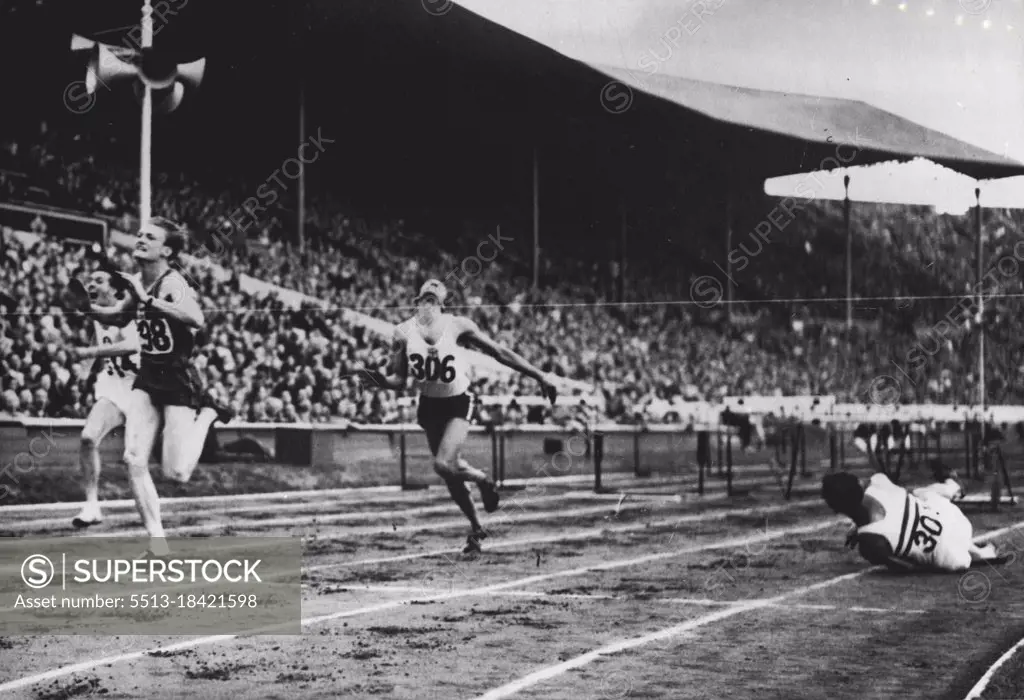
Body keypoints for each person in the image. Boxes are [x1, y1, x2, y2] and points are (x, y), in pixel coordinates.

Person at [360, 279, 558, 553]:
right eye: (424, 299)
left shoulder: (457, 325)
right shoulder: (402, 332)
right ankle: (476, 529)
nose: (428, 304)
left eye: (433, 299)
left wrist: (539, 375)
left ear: (443, 305)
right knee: (450, 473)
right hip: (429, 406)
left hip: (458, 401)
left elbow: (499, 352)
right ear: (416, 302)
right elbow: (399, 379)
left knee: (443, 464)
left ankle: (483, 480)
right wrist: (378, 379)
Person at [88, 218, 231, 557]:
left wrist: (146, 300)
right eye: (139, 235)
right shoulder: (138, 280)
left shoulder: (173, 283)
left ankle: (209, 413)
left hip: (178, 378)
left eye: (149, 237)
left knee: (177, 472)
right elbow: (120, 317)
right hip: (149, 377)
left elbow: (196, 318)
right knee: (133, 459)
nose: (140, 240)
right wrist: (85, 308)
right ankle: (157, 541)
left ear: (166, 250)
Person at [68, 270, 142, 529]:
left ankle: (152, 522)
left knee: (133, 458)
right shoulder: (97, 316)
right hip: (113, 386)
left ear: (115, 290)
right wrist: (85, 370)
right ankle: (91, 505)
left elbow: (132, 344)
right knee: (88, 438)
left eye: (99, 280)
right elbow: (97, 338)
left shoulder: (128, 314)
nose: (91, 283)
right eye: (91, 280)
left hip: (141, 389)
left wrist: (93, 352)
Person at [821, 469, 1001, 573]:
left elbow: (908, 567)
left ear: (836, 509)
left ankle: (975, 552)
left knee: (927, 545)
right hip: (956, 520)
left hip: (954, 561)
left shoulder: (870, 543)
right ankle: (952, 487)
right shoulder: (879, 481)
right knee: (919, 495)